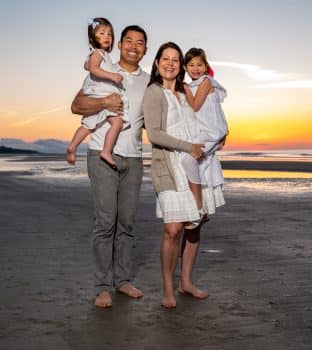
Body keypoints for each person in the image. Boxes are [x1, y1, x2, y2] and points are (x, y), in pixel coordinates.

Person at [70, 25, 149, 308]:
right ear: (119, 45)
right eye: (128, 41)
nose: (133, 46)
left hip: (134, 158)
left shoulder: (149, 82)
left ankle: (123, 280)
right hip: (101, 156)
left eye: (140, 43)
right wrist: (105, 101)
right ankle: (103, 286)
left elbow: (157, 121)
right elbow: (76, 106)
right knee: (105, 223)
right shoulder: (103, 69)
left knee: (126, 224)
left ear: (145, 49)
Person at [143, 42, 225, 308]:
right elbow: (154, 134)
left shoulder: (185, 90)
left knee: (194, 228)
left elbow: (208, 115)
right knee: (172, 229)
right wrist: (188, 147)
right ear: (157, 63)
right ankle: (168, 287)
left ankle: (186, 282)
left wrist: (224, 132)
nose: (170, 63)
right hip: (169, 164)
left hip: (198, 163)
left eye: (175, 60)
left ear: (180, 66)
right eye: (165, 59)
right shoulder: (154, 93)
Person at [66, 17, 128, 170]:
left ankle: (72, 147)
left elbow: (89, 66)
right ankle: (106, 152)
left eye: (109, 34)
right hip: (100, 95)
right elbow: (93, 68)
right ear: (93, 37)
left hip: (100, 94)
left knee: (88, 125)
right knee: (118, 122)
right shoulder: (99, 53)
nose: (107, 37)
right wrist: (112, 76)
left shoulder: (102, 55)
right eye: (102, 33)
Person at [181, 47, 229, 229]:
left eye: (199, 64)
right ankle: (205, 209)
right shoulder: (195, 84)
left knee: (188, 160)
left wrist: (184, 88)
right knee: (203, 166)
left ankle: (199, 209)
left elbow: (194, 106)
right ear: (185, 67)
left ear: (205, 65)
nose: (195, 68)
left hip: (211, 131)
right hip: (206, 130)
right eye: (191, 65)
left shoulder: (206, 81)